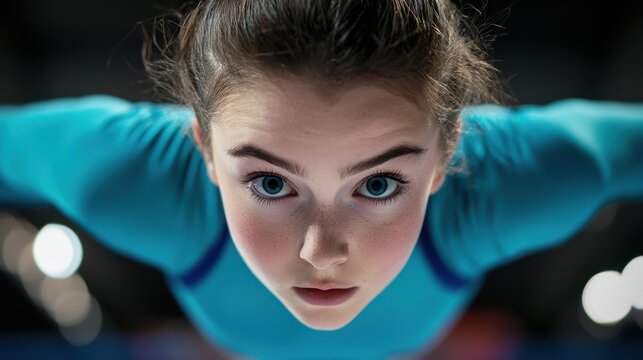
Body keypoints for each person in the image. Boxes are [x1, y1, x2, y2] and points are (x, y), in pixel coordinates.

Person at [1, 0, 642, 359]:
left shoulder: (500, 184)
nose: (321, 253)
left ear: (448, 154)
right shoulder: (130, 175)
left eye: (380, 184)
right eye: (272, 184)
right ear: (202, 149)